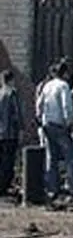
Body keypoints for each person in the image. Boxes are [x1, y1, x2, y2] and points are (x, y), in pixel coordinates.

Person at [35, 60, 73, 204]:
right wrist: (71, 122)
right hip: (60, 126)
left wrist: (40, 119)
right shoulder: (64, 86)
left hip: (47, 124)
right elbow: (66, 106)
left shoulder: (47, 85)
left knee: (51, 158)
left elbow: (39, 105)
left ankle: (52, 188)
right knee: (71, 158)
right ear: (65, 73)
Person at [0, 69, 22, 201]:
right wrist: (21, 129)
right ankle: (4, 186)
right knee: (9, 161)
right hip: (10, 133)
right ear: (11, 80)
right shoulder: (12, 93)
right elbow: (16, 114)